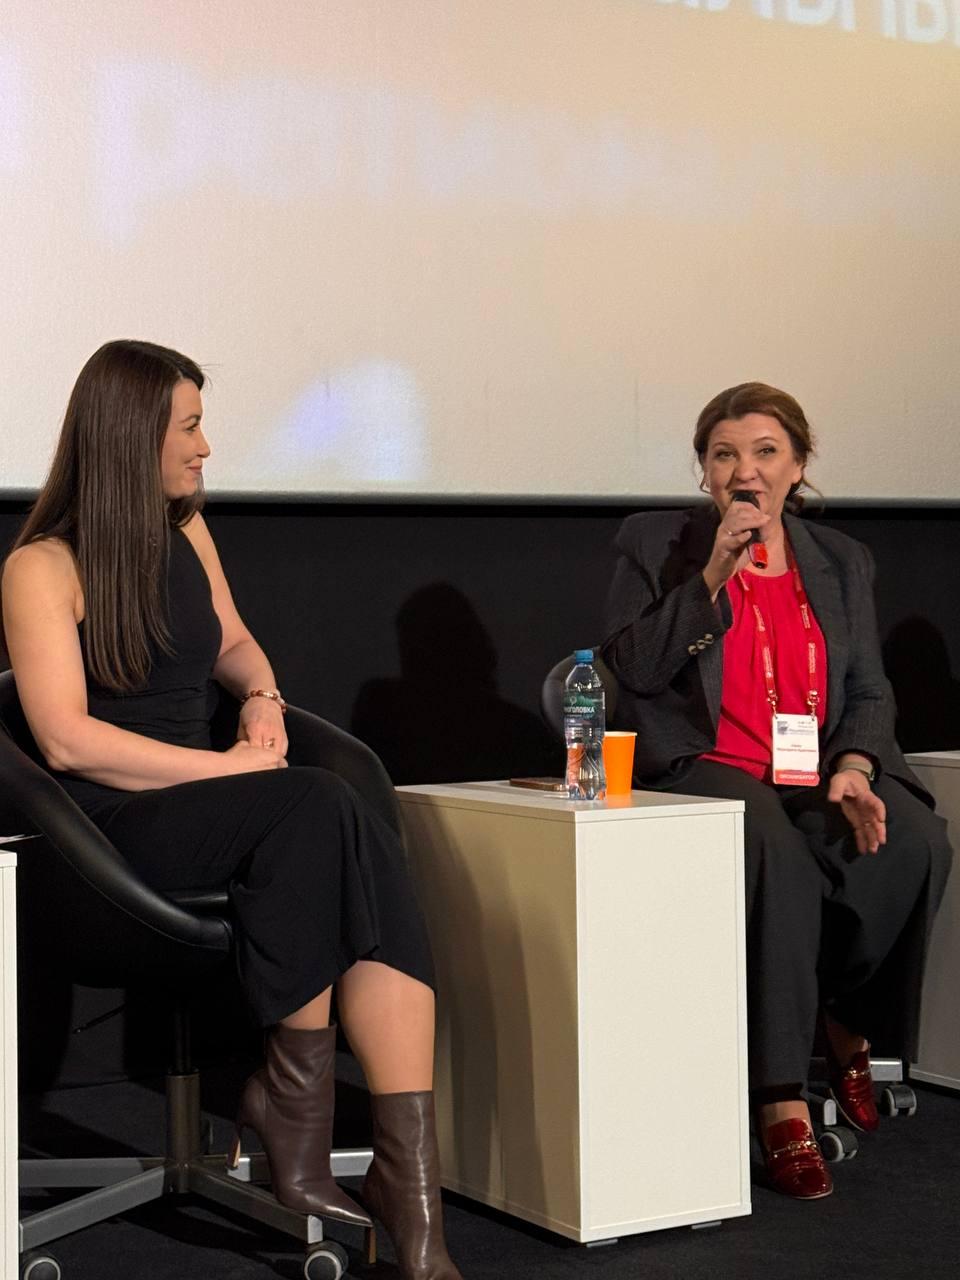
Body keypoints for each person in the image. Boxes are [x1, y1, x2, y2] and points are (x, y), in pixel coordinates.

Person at [1, 339, 462, 1278]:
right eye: (190, 426)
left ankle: (411, 1197)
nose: (206, 446)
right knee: (314, 808)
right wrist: (223, 771)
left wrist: (261, 698)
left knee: (347, 822)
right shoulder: (41, 566)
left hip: (221, 803)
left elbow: (238, 645)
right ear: (132, 435)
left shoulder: (188, 531)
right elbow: (67, 742)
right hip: (106, 832)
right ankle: (294, 1115)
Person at [600, 382, 953, 1200]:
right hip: (704, 761)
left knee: (915, 842)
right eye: (724, 454)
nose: (744, 470)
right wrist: (714, 573)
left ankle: (847, 1021)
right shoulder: (655, 543)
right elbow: (635, 671)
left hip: (813, 766)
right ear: (704, 471)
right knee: (778, 853)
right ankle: (781, 1098)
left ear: (798, 466)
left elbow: (868, 688)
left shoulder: (841, 560)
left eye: (765, 452)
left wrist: (856, 766)